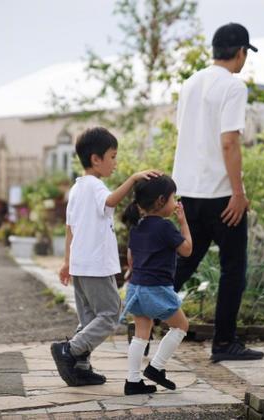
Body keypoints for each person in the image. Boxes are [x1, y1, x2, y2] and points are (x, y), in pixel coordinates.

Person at [171, 23, 264, 362]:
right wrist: (237, 192)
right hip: (221, 197)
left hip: (187, 192)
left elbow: (189, 136)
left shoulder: (189, 84)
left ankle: (141, 318)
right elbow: (229, 141)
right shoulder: (233, 87)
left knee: (182, 265)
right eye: (244, 54)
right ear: (240, 52)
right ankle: (224, 343)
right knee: (233, 269)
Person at [51, 126, 160, 386]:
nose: (115, 162)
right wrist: (133, 179)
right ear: (95, 159)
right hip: (96, 266)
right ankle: (69, 351)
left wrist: (68, 261)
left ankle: (80, 366)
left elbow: (70, 228)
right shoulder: (95, 186)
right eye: (112, 156)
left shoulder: (77, 189)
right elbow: (111, 200)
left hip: (80, 265)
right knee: (111, 314)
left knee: (90, 320)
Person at [120, 175, 192, 395]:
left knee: (141, 333)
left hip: (136, 288)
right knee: (181, 326)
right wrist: (183, 222)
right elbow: (187, 249)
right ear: (161, 201)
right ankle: (156, 367)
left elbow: (131, 260)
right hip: (157, 288)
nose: (175, 202)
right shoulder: (165, 227)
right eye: (173, 198)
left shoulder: (137, 227)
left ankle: (132, 381)